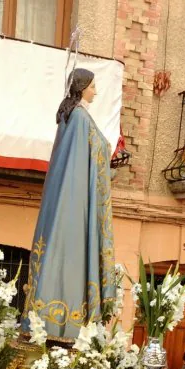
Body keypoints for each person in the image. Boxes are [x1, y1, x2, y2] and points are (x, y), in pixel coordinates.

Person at [22, 67, 115, 341]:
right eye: (93, 87)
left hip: (71, 192)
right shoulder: (80, 117)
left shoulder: (70, 115)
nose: (96, 92)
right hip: (76, 199)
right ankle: (64, 325)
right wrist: (105, 153)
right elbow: (83, 157)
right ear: (83, 86)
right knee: (71, 254)